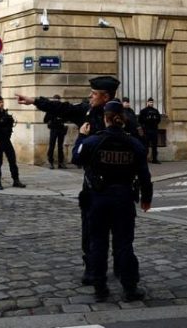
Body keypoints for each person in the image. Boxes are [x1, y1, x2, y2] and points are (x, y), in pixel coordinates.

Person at [16, 75, 120, 285]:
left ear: (105, 96)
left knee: (120, 230)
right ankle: (91, 267)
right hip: (93, 183)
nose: (89, 96)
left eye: (94, 93)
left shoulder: (122, 116)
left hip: (119, 183)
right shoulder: (85, 111)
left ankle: (122, 267)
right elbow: (62, 108)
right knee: (89, 228)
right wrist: (35, 101)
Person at [72, 99, 152, 302]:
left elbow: (76, 158)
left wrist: (81, 135)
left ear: (105, 119)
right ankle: (130, 287)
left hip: (98, 199)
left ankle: (100, 287)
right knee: (124, 244)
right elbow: (144, 174)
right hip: (124, 199)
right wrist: (146, 198)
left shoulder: (93, 141)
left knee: (98, 244)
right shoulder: (133, 143)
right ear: (123, 119)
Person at [44, 95, 68, 169]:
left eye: (57, 101)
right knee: (52, 145)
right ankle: (50, 162)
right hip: (54, 129)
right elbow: (45, 120)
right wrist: (52, 119)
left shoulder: (62, 109)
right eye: (55, 101)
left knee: (60, 147)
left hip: (61, 129)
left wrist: (62, 120)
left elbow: (66, 118)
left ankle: (60, 163)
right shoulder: (50, 109)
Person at [138, 97, 162, 164]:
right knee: (146, 146)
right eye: (150, 102)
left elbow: (159, 119)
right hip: (146, 130)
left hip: (154, 130)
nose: (151, 103)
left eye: (152, 102)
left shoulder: (155, 111)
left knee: (154, 146)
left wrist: (154, 123)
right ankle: (145, 159)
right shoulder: (143, 111)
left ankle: (154, 159)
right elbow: (140, 120)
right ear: (147, 103)